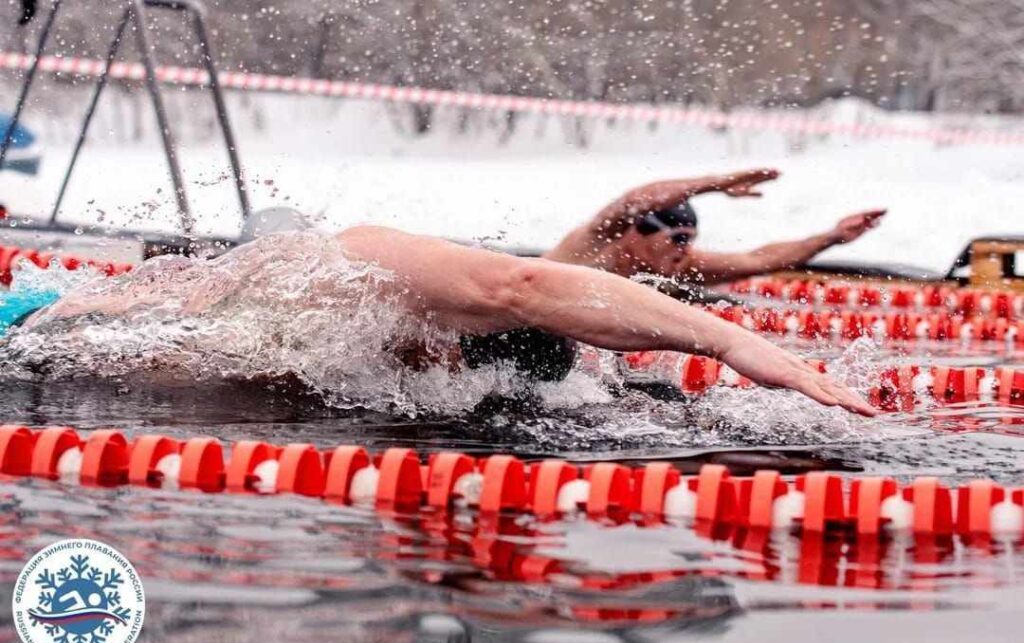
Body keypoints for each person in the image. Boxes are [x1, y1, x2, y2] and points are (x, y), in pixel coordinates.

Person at [7, 226, 875, 416]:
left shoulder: (366, 356)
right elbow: (523, 286)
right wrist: (728, 340)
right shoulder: (361, 270)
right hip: (36, 321)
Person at [544, 168, 886, 285]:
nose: (685, 249)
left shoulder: (680, 266)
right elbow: (636, 200)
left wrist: (831, 237)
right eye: (677, 238)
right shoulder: (593, 245)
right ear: (638, 232)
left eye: (690, 240)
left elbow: (758, 260)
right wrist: (713, 184)